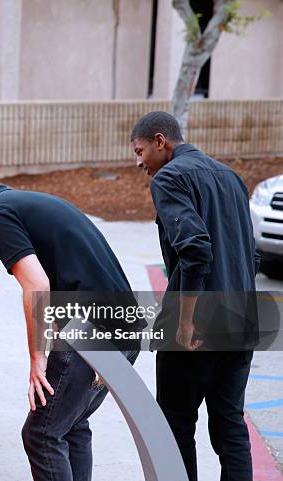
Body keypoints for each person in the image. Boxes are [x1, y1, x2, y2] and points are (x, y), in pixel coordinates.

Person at [0, 160, 143, 481]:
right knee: (71, 425)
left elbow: (36, 285)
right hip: (123, 327)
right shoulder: (20, 203)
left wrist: (37, 358)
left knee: (41, 434)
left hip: (92, 330)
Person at [130, 111, 259, 481]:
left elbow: (196, 250)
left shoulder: (169, 177)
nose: (139, 163)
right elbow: (250, 254)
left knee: (175, 425)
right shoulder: (231, 177)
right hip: (241, 319)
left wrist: (185, 322)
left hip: (197, 327)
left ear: (160, 141)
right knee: (230, 424)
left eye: (140, 151)